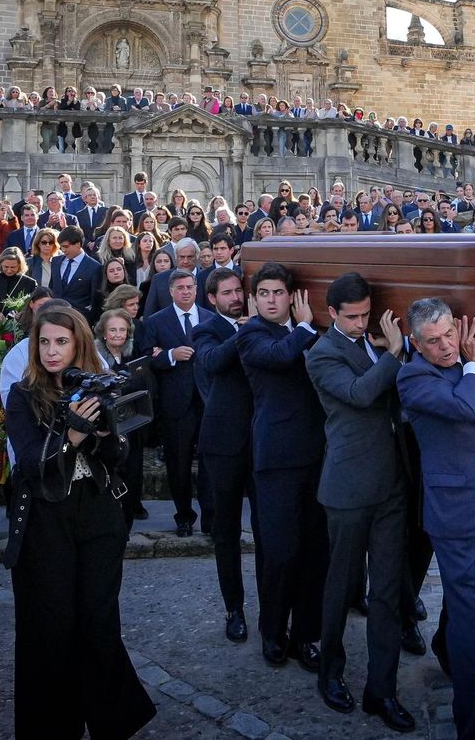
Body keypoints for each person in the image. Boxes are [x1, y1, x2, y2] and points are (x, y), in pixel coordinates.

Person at [1, 306, 157, 740]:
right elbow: (30, 465)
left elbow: (118, 458)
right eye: (44, 342)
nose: (51, 351)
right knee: (50, 626)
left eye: (61, 342)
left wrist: (105, 434)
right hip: (44, 518)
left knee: (99, 620)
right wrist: (71, 434)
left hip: (99, 514)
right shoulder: (22, 394)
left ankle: (113, 721)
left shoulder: (98, 386)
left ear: (79, 345)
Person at [397, 299, 475, 740]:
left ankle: (452, 651)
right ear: (416, 344)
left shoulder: (473, 365)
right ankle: (474, 721)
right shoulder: (413, 377)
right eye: (433, 341)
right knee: (470, 617)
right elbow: (461, 409)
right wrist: (473, 364)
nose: (446, 345)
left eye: (450, 333)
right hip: (453, 514)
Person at [304, 274, 416, 732]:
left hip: (390, 484)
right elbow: (360, 393)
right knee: (341, 587)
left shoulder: (373, 341)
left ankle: (381, 691)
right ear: (331, 313)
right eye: (352, 316)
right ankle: (330, 673)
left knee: (386, 592)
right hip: (348, 488)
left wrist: (391, 349)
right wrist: (394, 352)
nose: (360, 322)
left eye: (366, 314)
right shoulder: (321, 353)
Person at [236, 262, 327, 671]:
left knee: (314, 552)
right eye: (264, 293)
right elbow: (280, 356)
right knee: (280, 552)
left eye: (278, 292)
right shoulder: (251, 333)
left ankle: (307, 634)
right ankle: (273, 632)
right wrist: (306, 327)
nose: (271, 300)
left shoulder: (313, 331)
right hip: (275, 461)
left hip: (317, 455)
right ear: (255, 299)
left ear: (292, 296)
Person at [193, 268, 262, 643]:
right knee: (227, 532)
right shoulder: (207, 330)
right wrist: (245, 332)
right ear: (212, 299)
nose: (235, 297)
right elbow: (212, 361)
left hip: (263, 442)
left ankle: (272, 610)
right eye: (227, 293)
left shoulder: (260, 324)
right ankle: (234, 609)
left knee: (269, 531)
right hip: (222, 446)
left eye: (239, 290)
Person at [144, 268, 213, 537]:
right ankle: (184, 517)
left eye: (190, 287)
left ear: (196, 289)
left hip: (207, 402)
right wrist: (171, 354)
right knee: (178, 465)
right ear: (171, 291)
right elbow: (146, 358)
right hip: (175, 404)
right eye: (180, 288)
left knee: (209, 464)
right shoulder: (156, 321)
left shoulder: (209, 318)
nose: (186, 292)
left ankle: (210, 519)